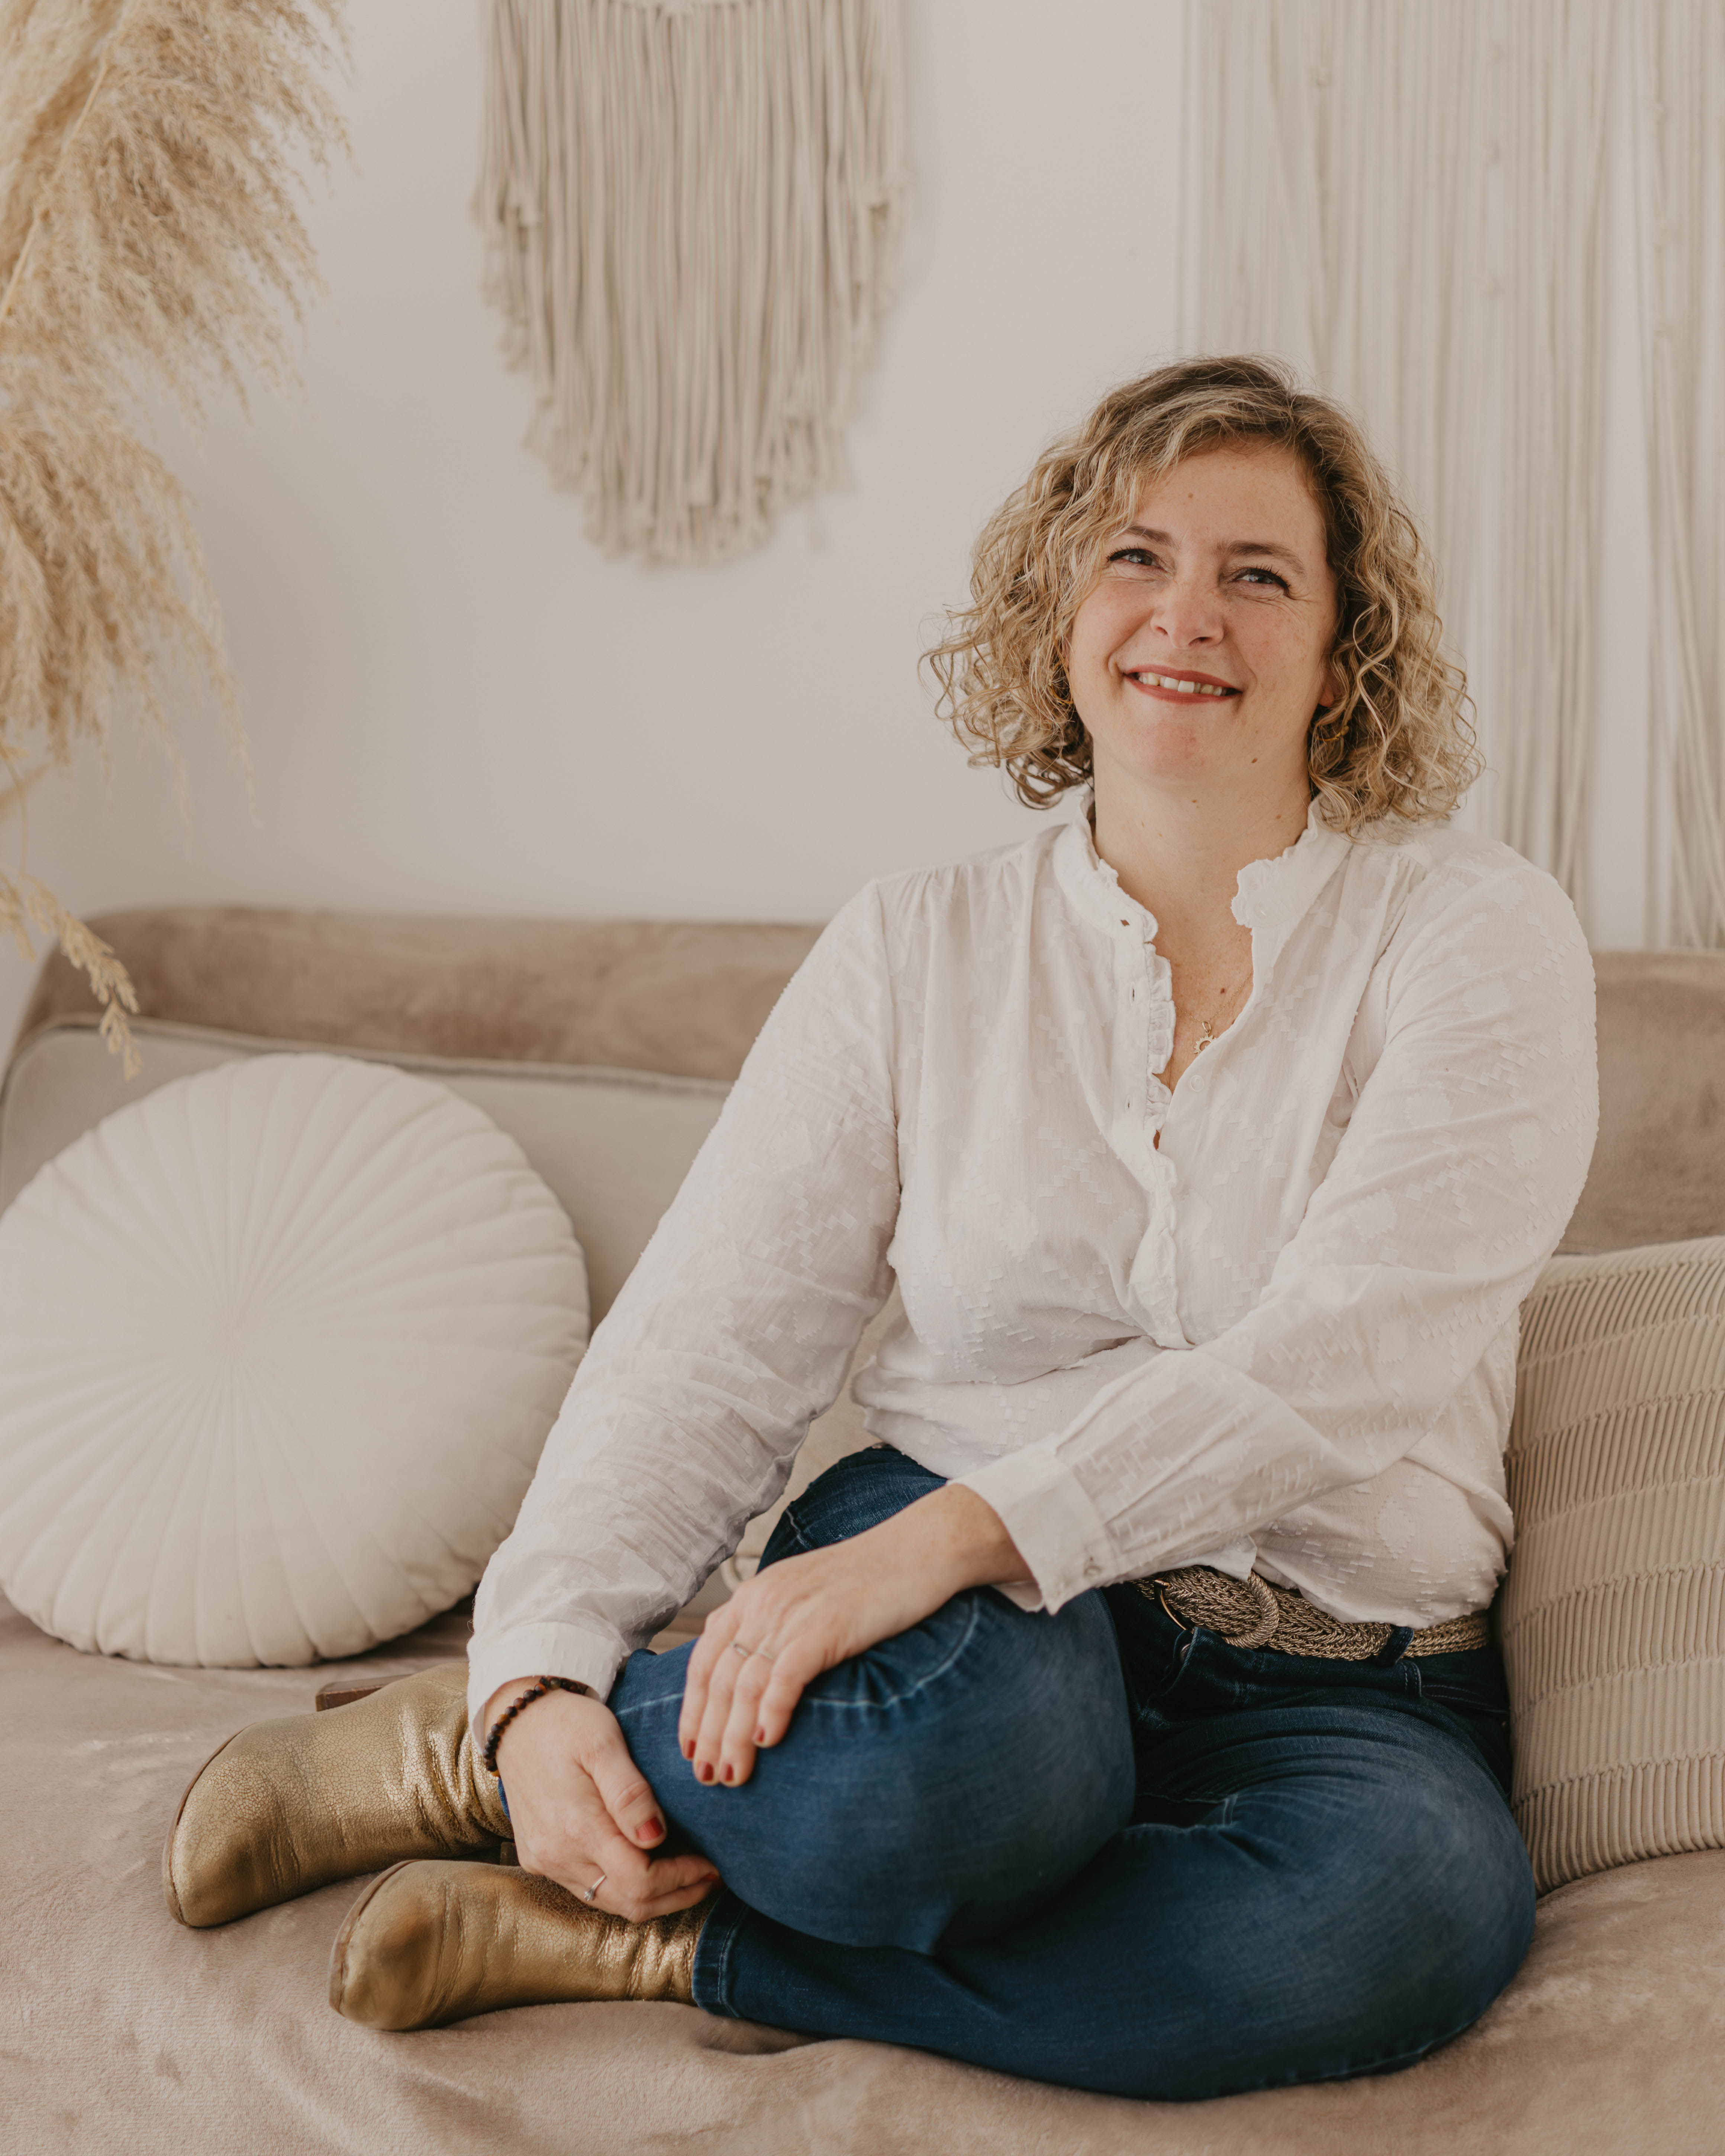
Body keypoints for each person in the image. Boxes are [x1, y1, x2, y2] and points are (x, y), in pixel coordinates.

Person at [164, 355, 1597, 2101]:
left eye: (1256, 573)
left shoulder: (1473, 934)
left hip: (1346, 1690)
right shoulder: (915, 946)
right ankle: (473, 1758)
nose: (1184, 615)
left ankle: (661, 1942)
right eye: (1132, 556)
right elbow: (709, 1335)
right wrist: (536, 1671)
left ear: (1342, 641)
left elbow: (1350, 1354)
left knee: (1406, 1922)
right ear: (1059, 603)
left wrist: (971, 1531)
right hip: (979, 1660)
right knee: (945, 1779)